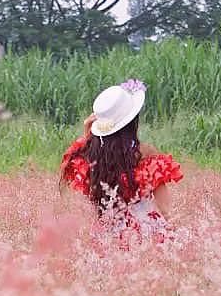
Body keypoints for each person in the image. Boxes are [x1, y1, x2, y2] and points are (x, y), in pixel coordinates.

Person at [60, 79, 183, 246]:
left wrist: (89, 138)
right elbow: (166, 211)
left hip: (107, 238)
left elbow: (76, 166)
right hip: (146, 235)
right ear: (132, 121)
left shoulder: (89, 161)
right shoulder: (145, 154)